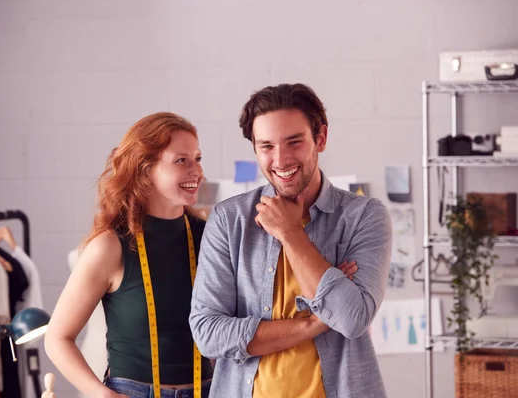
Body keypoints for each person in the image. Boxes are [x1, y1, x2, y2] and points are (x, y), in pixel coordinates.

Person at [189, 83, 393, 398]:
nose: (281, 159)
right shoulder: (229, 220)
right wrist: (313, 324)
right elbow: (209, 334)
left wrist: (290, 232)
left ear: (320, 138)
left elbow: (352, 319)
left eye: (294, 142)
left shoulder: (363, 216)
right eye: (266, 146)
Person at [45, 112, 214, 398]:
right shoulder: (110, 246)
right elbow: (57, 338)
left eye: (197, 158)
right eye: (181, 160)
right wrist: (102, 394)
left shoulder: (210, 237)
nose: (196, 171)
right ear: (144, 169)